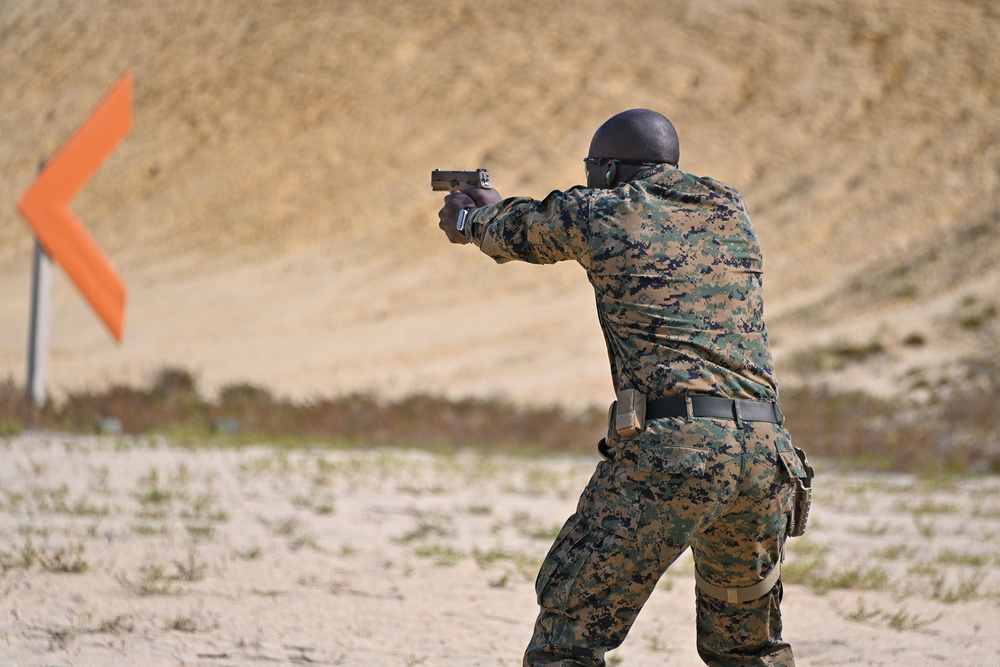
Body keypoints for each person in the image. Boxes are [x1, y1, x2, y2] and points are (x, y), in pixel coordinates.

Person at [437, 109, 809, 667]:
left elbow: (514, 231)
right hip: (766, 456)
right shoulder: (728, 208)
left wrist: (468, 220)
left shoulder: (602, 210)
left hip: (674, 451)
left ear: (609, 169)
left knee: (569, 636)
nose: (587, 177)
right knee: (748, 649)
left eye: (591, 167)